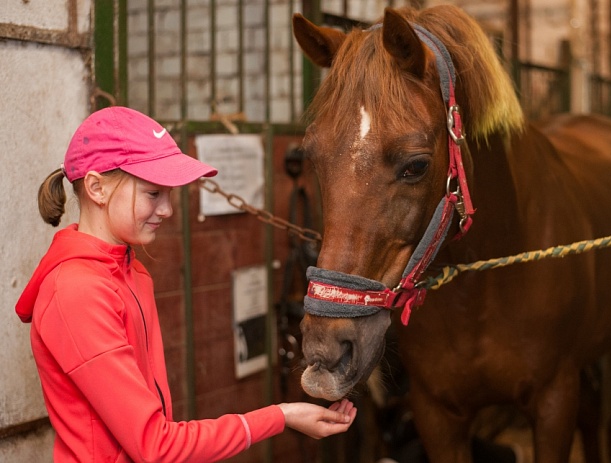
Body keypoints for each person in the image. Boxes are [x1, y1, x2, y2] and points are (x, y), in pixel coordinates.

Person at [15, 106, 357, 462]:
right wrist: (280, 416)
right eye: (152, 194)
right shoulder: (78, 292)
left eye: (168, 194)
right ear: (97, 188)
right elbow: (155, 446)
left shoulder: (130, 272)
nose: (167, 210)